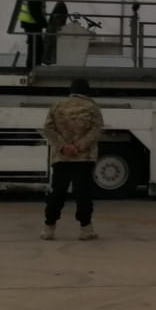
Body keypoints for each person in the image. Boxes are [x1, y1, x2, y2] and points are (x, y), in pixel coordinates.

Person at [41, 77, 103, 240]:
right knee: (83, 194)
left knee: (57, 193)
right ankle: (86, 230)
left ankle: (49, 229)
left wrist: (63, 146)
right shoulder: (92, 107)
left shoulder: (57, 106)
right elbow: (96, 131)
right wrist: (78, 147)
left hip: (61, 158)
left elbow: (47, 129)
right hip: (84, 159)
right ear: (86, 91)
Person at [18, 0, 49, 69]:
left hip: (30, 24)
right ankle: (33, 66)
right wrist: (45, 24)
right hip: (32, 24)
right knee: (36, 46)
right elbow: (36, 13)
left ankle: (32, 66)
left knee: (34, 45)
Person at [44, 1, 69, 65]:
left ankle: (48, 61)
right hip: (55, 36)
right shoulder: (61, 17)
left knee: (48, 47)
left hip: (50, 35)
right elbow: (59, 27)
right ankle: (52, 62)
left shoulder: (53, 17)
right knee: (55, 47)